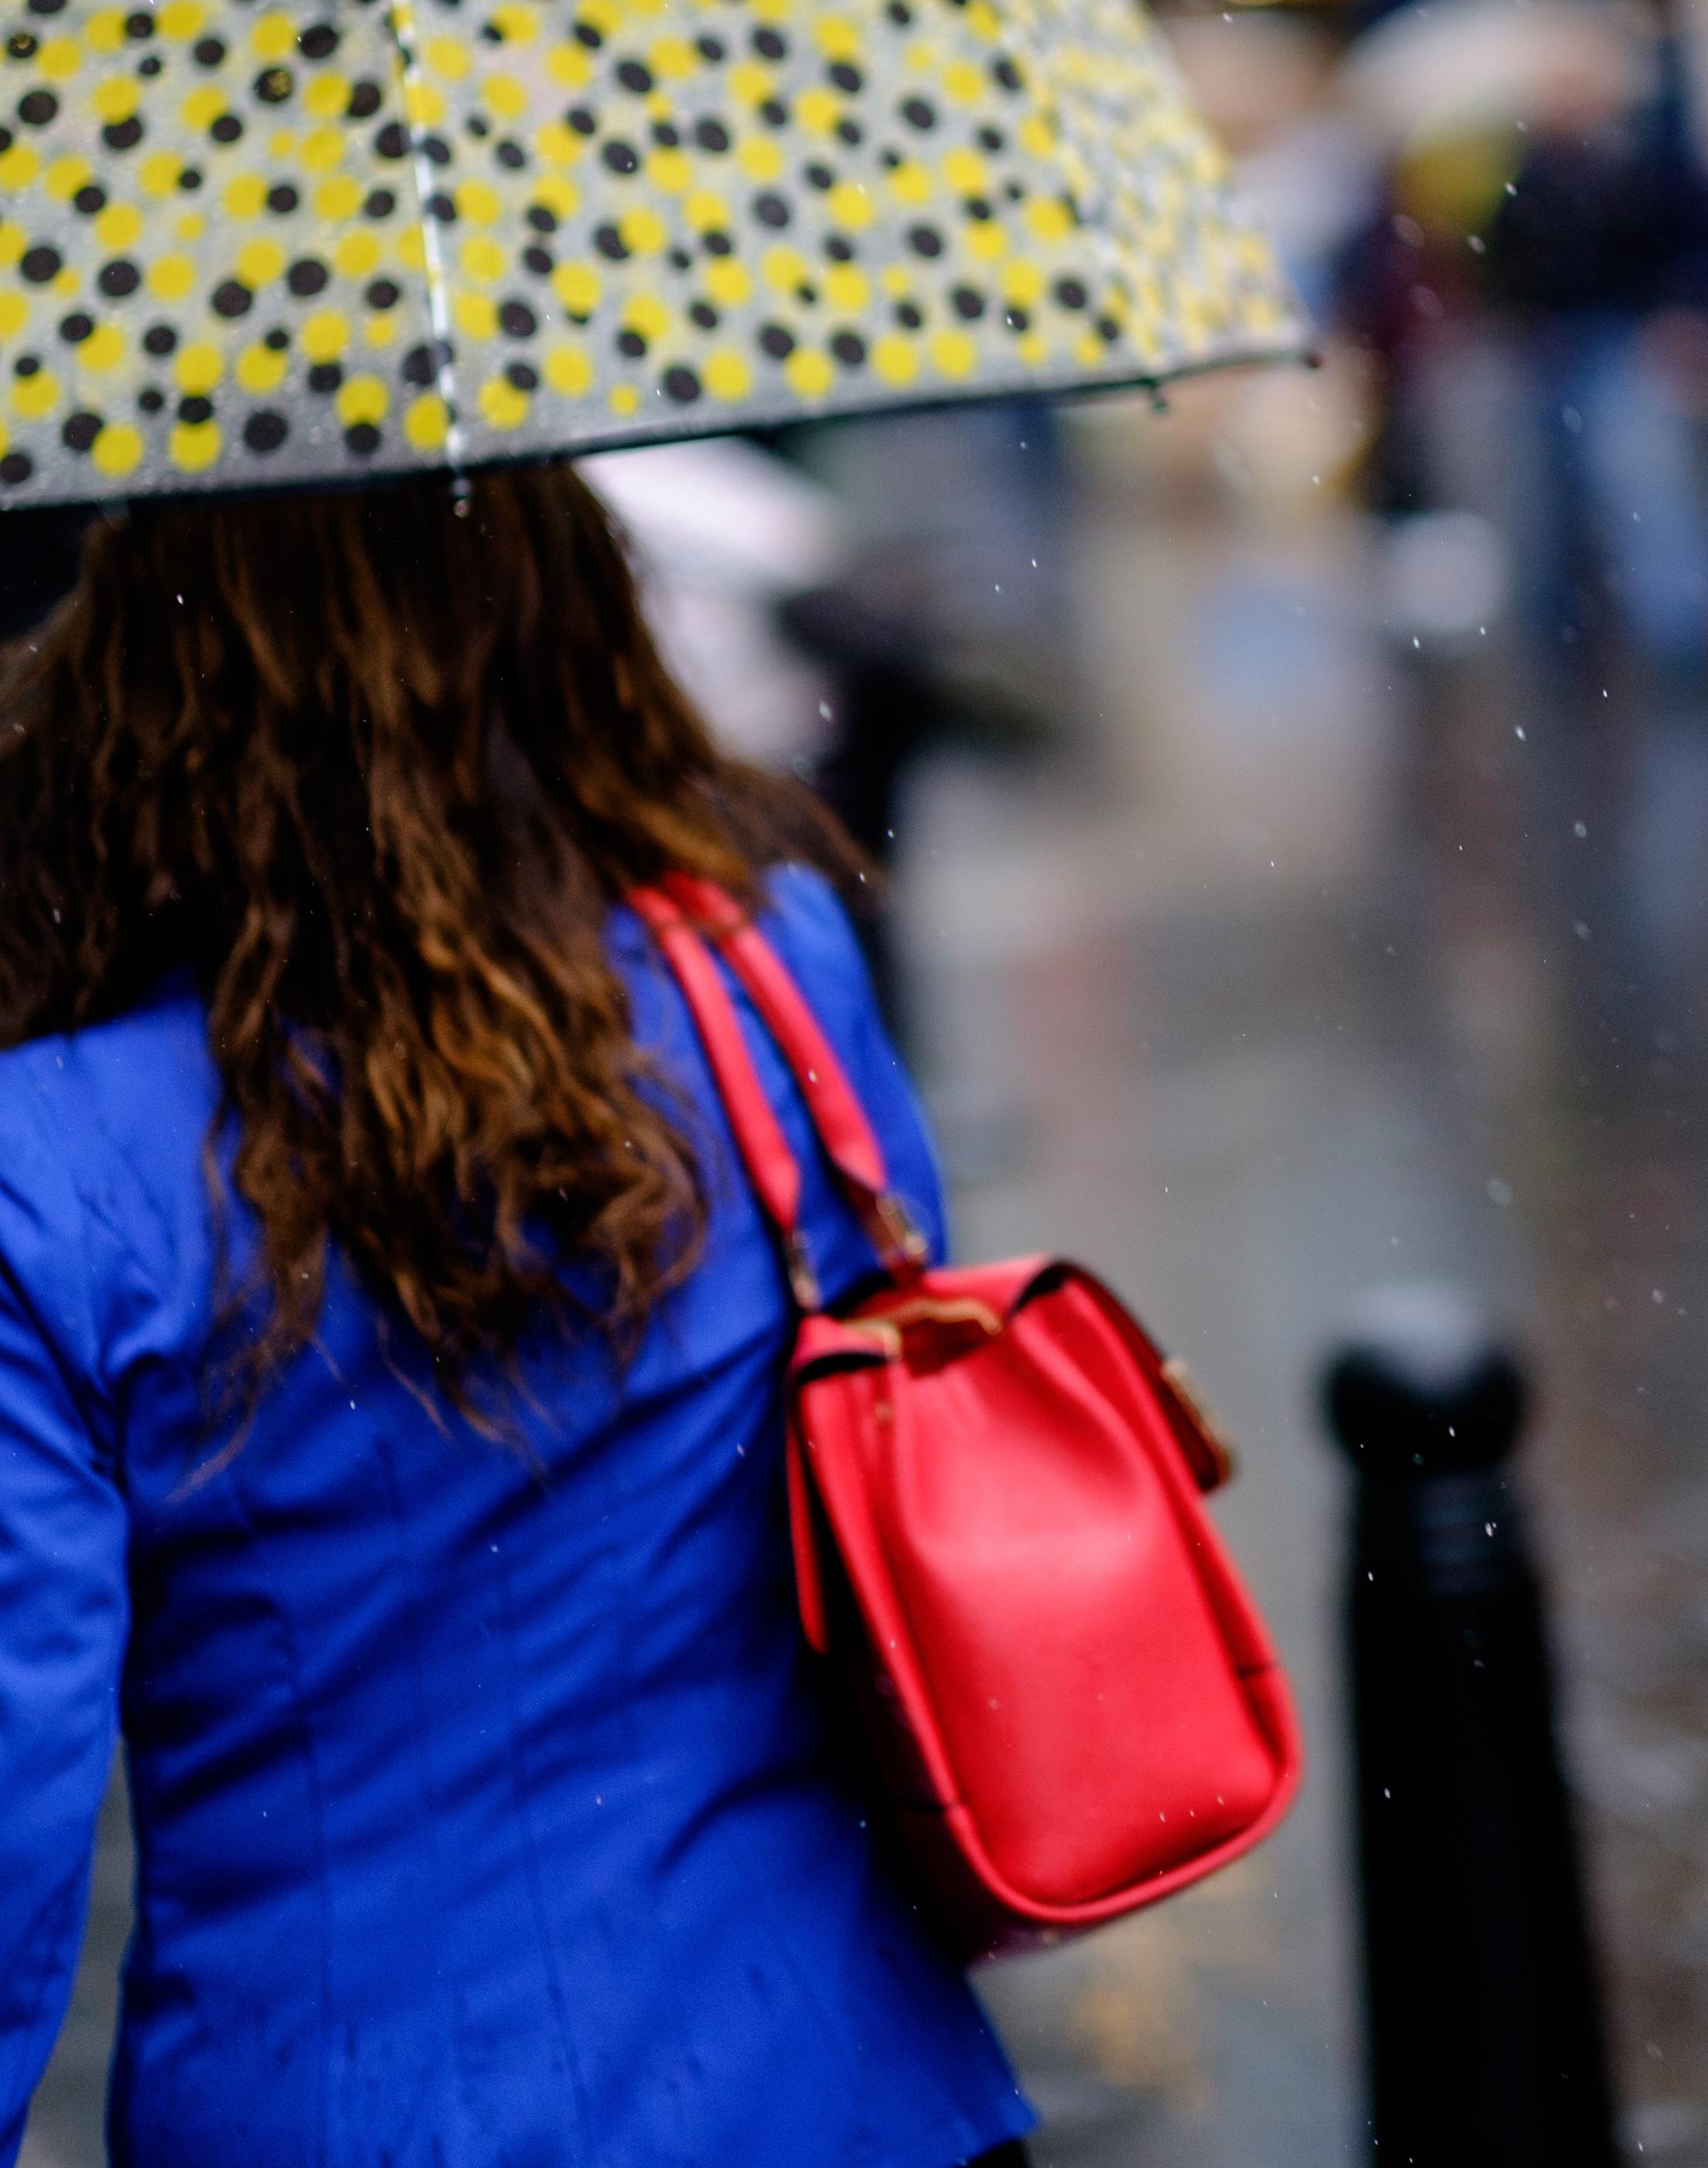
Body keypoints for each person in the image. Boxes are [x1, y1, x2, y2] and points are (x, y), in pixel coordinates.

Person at [0, 467, 1034, 2168]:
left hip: (348, 2109)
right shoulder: (772, 966)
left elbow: (21, 1808)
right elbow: (889, 1463)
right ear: (567, 606)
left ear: (147, 666)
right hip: (840, 2076)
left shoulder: (57, 1160)